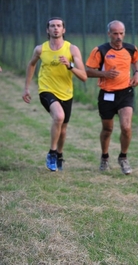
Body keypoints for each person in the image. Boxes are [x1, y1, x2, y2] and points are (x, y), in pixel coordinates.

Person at [22, 17, 87, 172]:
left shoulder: (72, 49)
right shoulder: (40, 49)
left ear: (63, 30)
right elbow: (31, 64)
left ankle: (59, 154)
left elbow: (84, 76)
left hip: (66, 92)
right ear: (47, 30)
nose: (55, 28)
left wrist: (70, 65)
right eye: (52, 26)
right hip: (46, 89)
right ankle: (51, 153)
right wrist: (26, 88)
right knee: (58, 116)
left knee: (63, 129)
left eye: (59, 26)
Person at [86, 20, 138, 175]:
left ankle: (123, 157)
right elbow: (88, 71)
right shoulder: (100, 51)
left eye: (121, 33)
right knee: (108, 128)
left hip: (125, 93)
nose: (118, 36)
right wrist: (104, 74)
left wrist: (137, 73)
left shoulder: (131, 49)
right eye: (115, 33)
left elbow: (135, 61)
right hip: (107, 94)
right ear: (109, 33)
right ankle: (104, 157)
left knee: (126, 127)